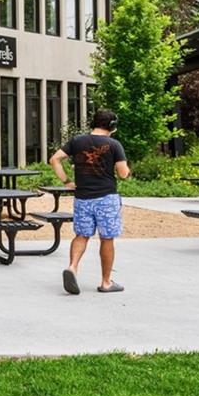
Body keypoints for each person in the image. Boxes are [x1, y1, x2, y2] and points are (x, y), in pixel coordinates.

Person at [48, 109, 131, 295]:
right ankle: (106, 282)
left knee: (82, 235)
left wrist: (67, 182)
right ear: (112, 126)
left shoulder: (77, 141)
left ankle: (72, 267)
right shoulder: (114, 144)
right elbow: (123, 174)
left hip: (82, 197)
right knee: (107, 238)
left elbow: (54, 159)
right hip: (106, 198)